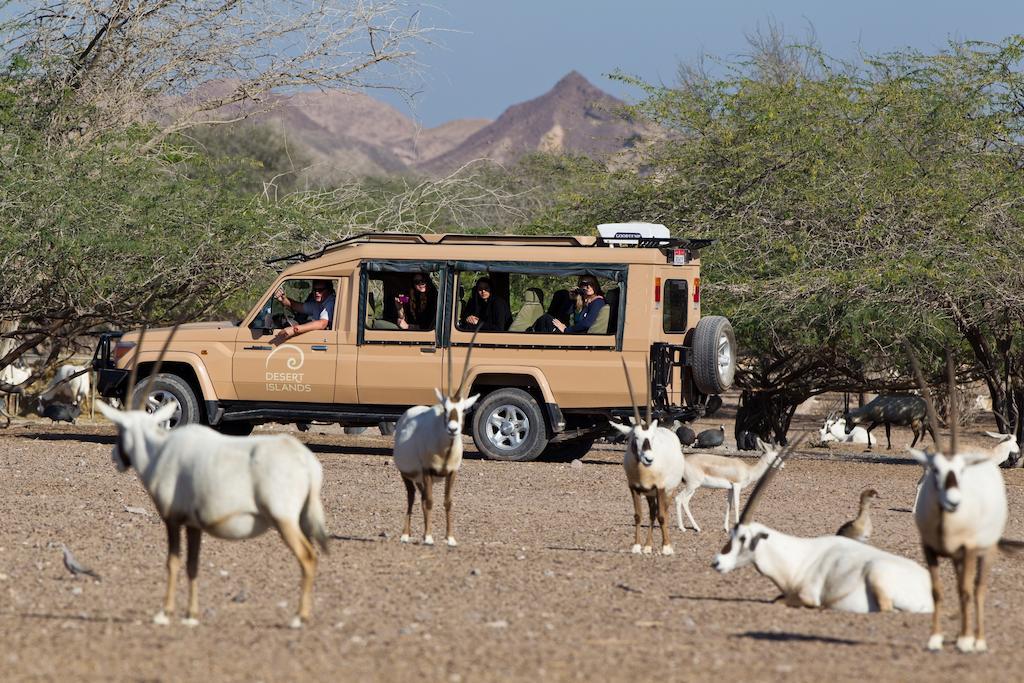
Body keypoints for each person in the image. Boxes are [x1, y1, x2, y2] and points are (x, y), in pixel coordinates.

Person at [531, 276, 606, 333]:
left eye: (591, 284)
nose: (588, 287)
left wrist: (566, 330)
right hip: (575, 333)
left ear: (595, 285)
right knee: (546, 317)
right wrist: (571, 299)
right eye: (585, 284)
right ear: (580, 287)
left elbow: (587, 324)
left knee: (546, 318)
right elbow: (565, 314)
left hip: (582, 338)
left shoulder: (598, 302)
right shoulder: (584, 302)